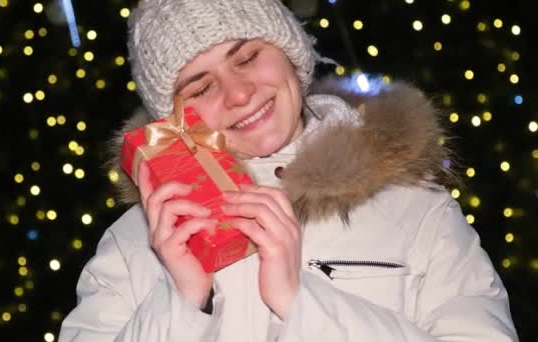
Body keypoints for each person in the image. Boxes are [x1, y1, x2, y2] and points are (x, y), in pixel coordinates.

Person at [59, 0, 519, 341]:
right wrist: (182, 303)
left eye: (247, 57)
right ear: (174, 119)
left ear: (290, 53)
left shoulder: (419, 213)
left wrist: (301, 302)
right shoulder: (132, 243)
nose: (238, 94)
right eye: (200, 87)